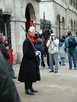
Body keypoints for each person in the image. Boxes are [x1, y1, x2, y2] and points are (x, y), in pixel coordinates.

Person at [18, 26, 40, 95]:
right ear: (29, 32)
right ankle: (27, 89)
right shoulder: (26, 41)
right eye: (33, 32)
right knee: (27, 76)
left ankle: (30, 87)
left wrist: (36, 52)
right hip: (27, 62)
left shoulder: (31, 40)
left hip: (32, 61)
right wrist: (34, 54)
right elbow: (26, 53)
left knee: (31, 76)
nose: (34, 33)